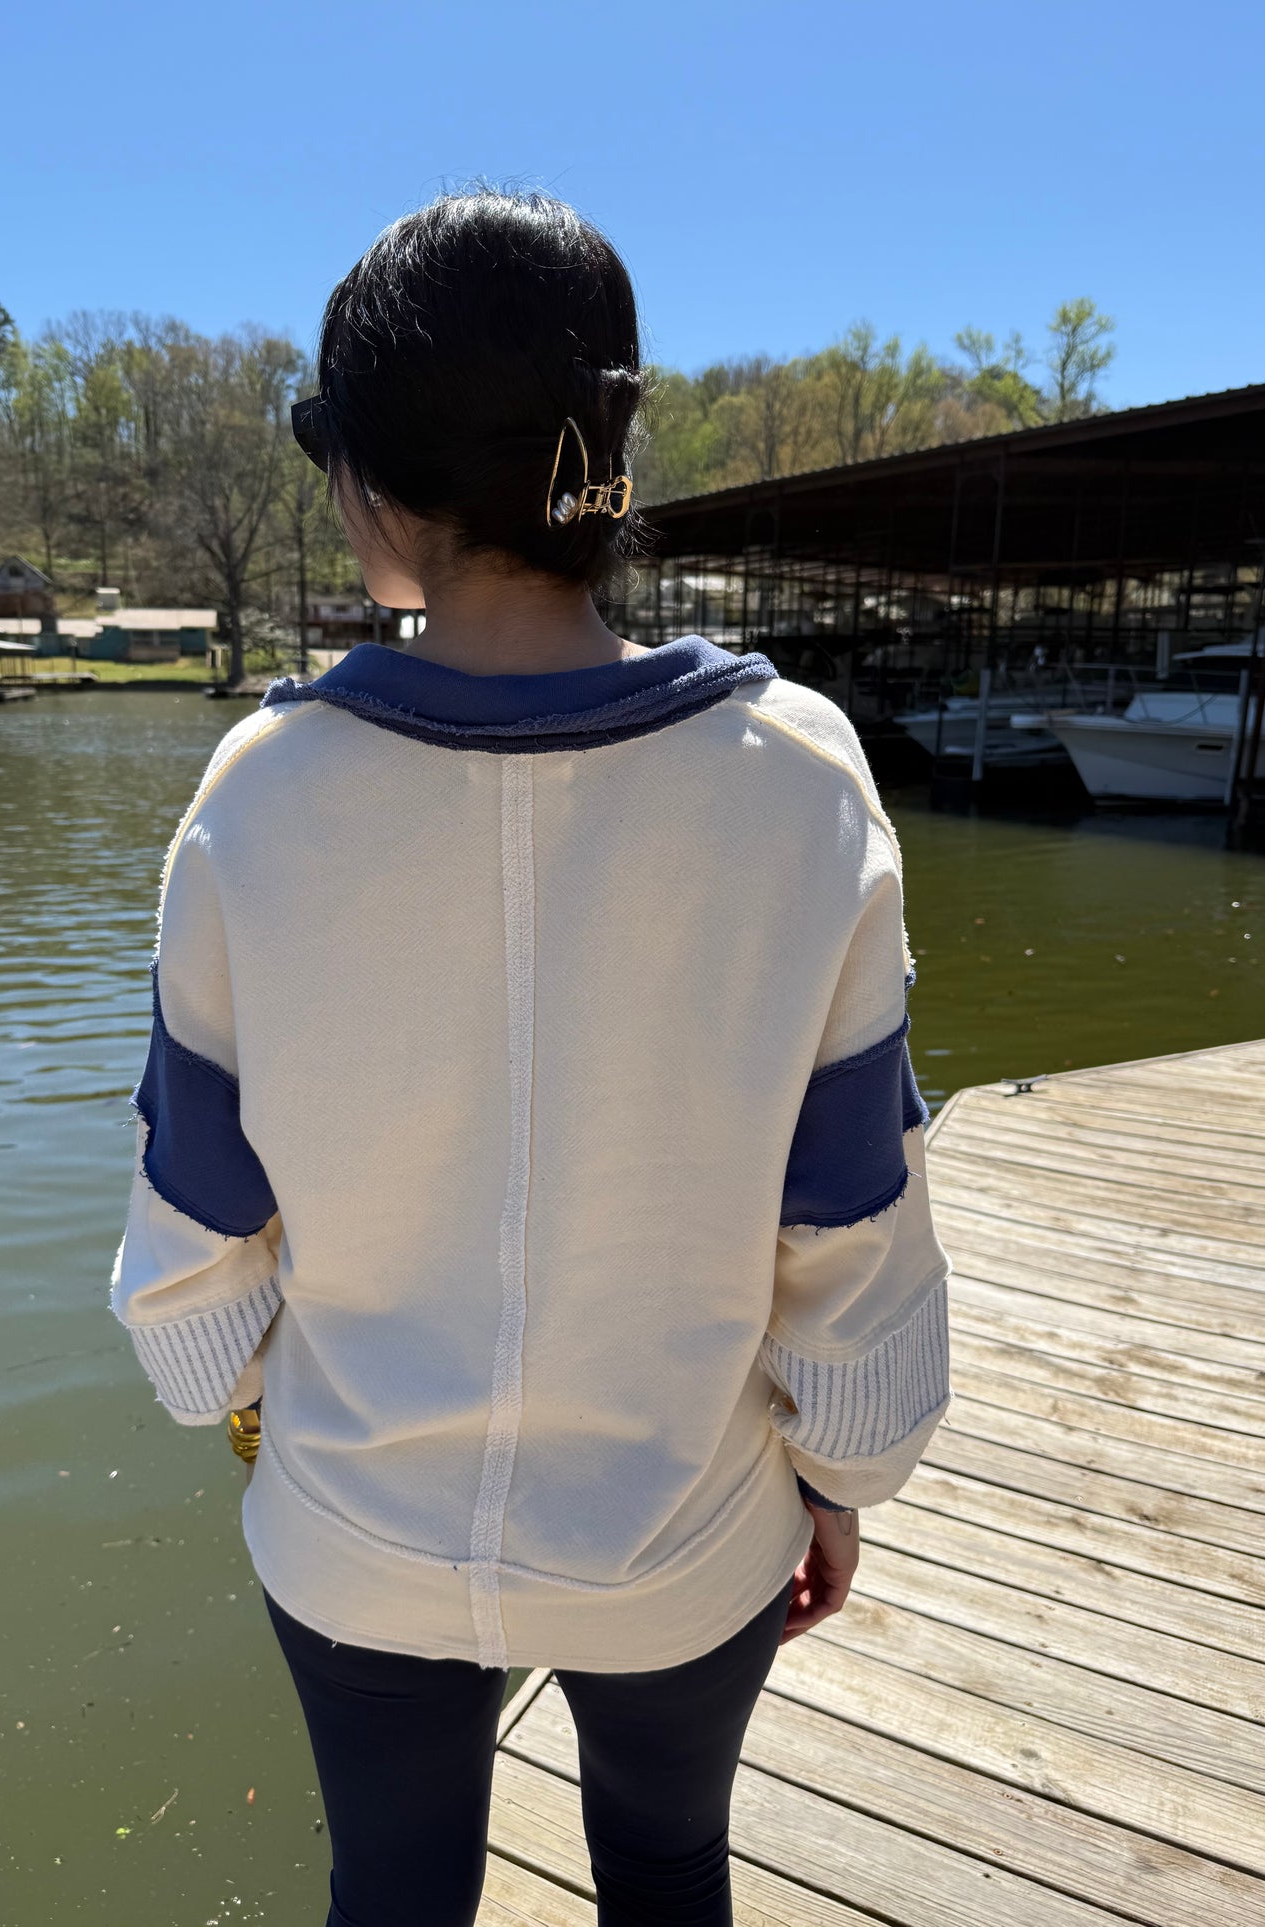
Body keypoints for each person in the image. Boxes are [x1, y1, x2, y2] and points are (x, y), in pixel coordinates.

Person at [111, 189, 950, 1927]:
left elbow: (192, 1258)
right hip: (687, 1533)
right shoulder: (799, 780)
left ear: (362, 475)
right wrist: (844, 1480)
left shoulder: (258, 800)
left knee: (395, 1892)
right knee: (663, 1868)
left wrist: (254, 1407)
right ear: (608, 462)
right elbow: (849, 1231)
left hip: (354, 1538)